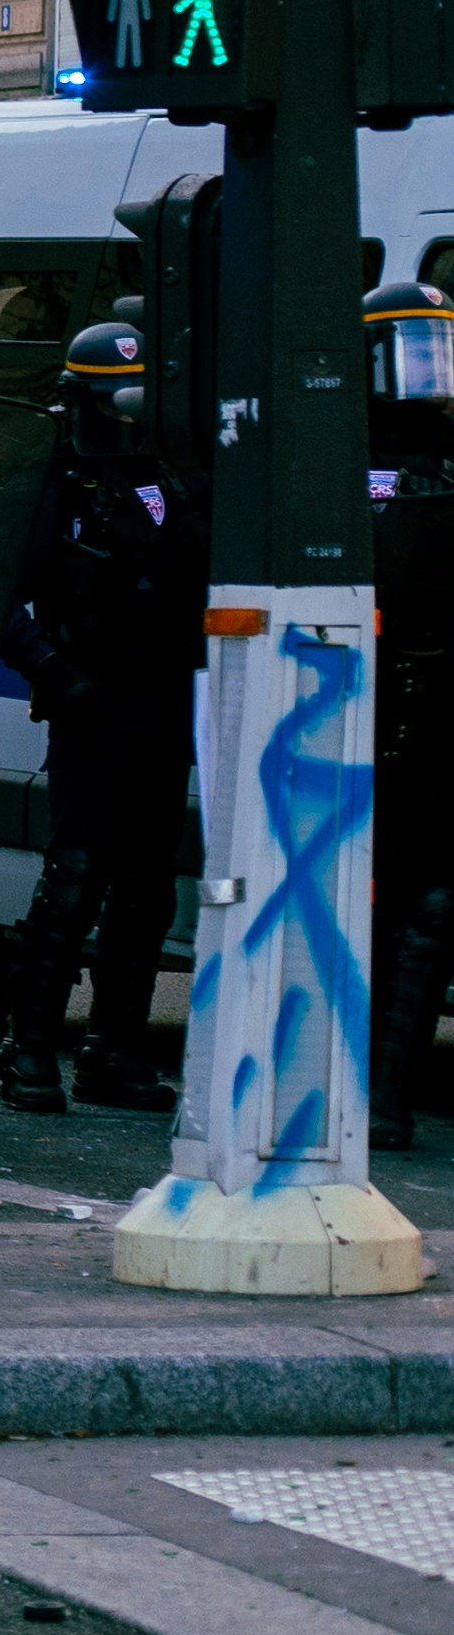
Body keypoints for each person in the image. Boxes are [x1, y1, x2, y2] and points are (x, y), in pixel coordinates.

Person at [0, 319, 201, 1116]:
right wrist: (53, 673)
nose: (124, 416)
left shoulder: (165, 479)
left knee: (146, 887)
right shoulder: (51, 483)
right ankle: (31, 1046)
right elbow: (0, 597)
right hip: (90, 699)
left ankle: (114, 1048)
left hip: (160, 699)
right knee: (74, 877)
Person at [374, 289, 454, 1147]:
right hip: (373, 710)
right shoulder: (356, 460)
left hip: (439, 713)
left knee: (430, 909)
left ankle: (388, 1089)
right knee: (389, 907)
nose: (430, 379)